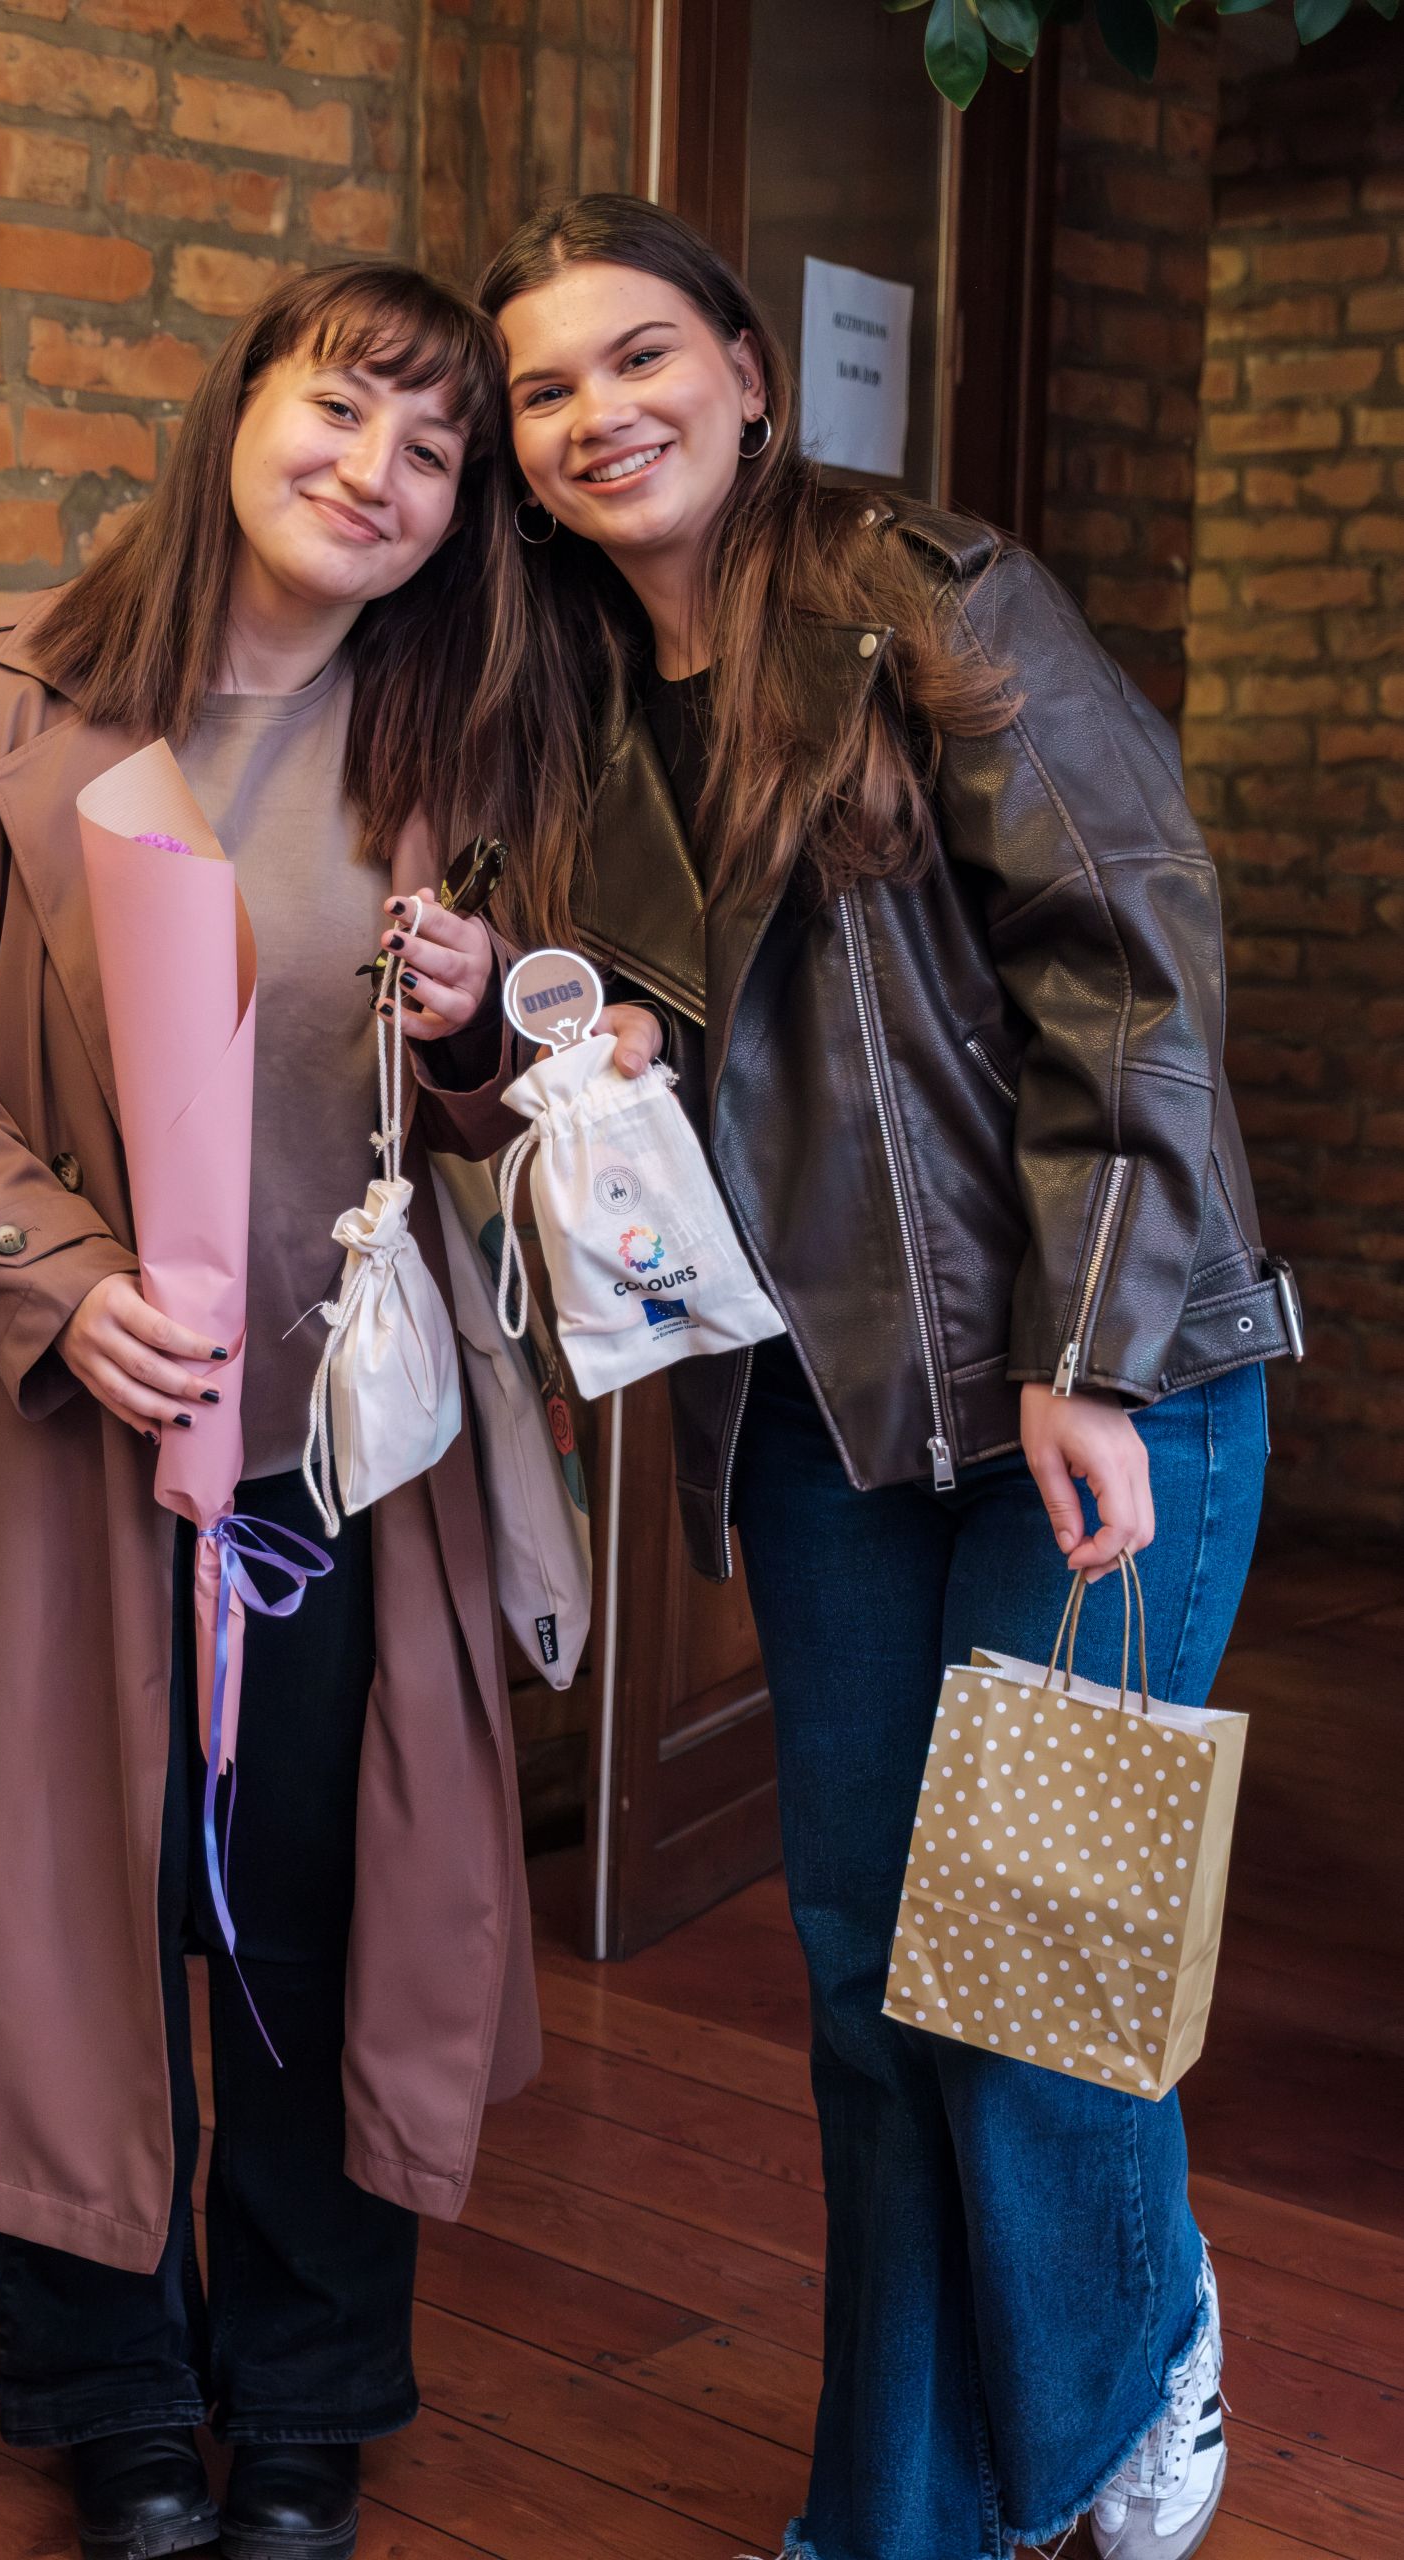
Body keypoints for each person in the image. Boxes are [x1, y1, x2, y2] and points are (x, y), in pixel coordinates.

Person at [477, 195, 1300, 2560]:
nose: (598, 412)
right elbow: (599, 1059)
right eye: (545, 387)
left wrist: (1087, 1348)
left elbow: (1129, 966)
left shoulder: (930, 600)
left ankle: (1131, 2345)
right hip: (821, 1413)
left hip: (1086, 1383)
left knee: (1021, 1973)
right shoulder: (560, 701)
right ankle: (888, 2518)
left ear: (745, 370)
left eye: (641, 354)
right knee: (867, 1991)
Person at [0, 261, 538, 2560]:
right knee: (57, 1921)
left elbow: (532, 1099)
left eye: (432, 451)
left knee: (316, 1921)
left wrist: (480, 1017)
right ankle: (110, 2403)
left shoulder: (458, 749)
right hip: (51, 1435)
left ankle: (304, 2399)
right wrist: (54, 1268)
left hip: (344, 1456)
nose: (376, 474)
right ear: (238, 409)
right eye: (341, 409)